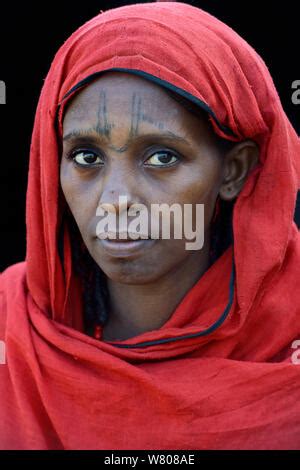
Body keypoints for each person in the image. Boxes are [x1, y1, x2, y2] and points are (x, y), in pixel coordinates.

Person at [0, 1, 299, 450]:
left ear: (234, 171)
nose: (116, 200)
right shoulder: (11, 325)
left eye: (162, 157)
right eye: (86, 157)